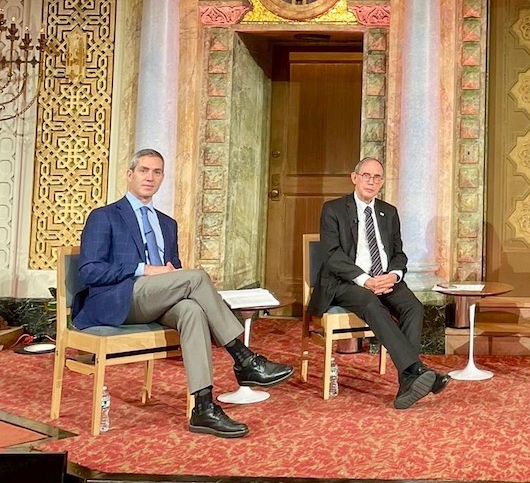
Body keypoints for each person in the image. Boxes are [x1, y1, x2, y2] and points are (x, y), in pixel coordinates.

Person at [75, 149, 294, 439]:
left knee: (191, 310)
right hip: (119, 299)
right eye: (143, 170)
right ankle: (243, 358)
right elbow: (89, 271)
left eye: (156, 172)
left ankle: (203, 407)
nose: (149, 177)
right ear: (129, 175)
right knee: (197, 277)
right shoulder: (105, 217)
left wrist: (167, 272)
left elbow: (174, 273)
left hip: (156, 300)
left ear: (163, 178)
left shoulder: (167, 224)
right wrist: (144, 269)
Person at [310, 157, 450, 409]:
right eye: (366, 175)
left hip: (385, 278)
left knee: (414, 307)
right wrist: (366, 281)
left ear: (382, 182)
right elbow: (332, 256)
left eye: (377, 177)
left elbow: (399, 253)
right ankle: (415, 370)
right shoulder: (333, 209)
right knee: (372, 304)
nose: (371, 181)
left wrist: (394, 275)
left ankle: (408, 380)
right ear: (354, 178)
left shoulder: (389, 212)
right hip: (347, 282)